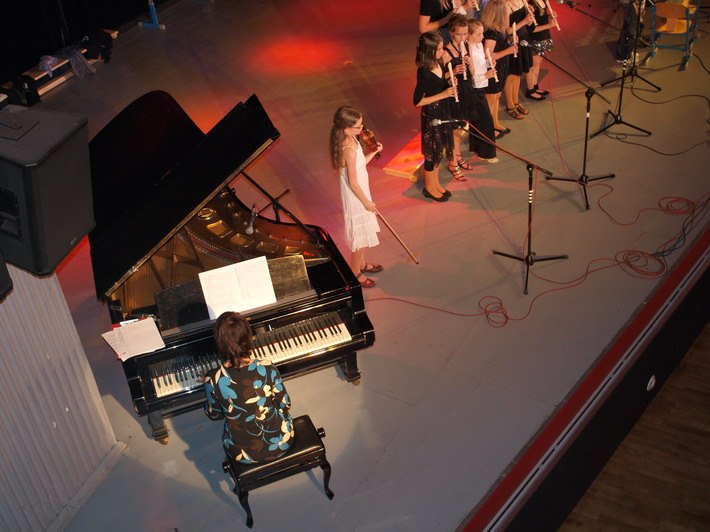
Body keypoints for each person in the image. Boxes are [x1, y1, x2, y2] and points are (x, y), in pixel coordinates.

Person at [204, 311, 294, 464]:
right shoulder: (267, 368)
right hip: (281, 442)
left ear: (219, 343)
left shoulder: (212, 379)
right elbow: (285, 405)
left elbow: (215, 415)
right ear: (249, 337)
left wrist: (209, 382)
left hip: (241, 453)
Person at [330, 105, 383, 288]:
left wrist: (373, 151)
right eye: (358, 126)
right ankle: (354, 271)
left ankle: (362, 264)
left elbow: (360, 166)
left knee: (364, 234)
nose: (362, 129)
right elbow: (353, 182)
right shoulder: (349, 149)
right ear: (346, 128)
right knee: (361, 237)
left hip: (361, 190)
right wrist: (367, 202)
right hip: (357, 195)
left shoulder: (352, 139)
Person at [414, 31, 457, 202]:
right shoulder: (423, 72)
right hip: (432, 114)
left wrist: (449, 81)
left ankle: (435, 183)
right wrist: (444, 94)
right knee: (431, 152)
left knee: (439, 150)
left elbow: (438, 83)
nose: (443, 51)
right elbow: (417, 101)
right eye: (439, 49)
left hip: (443, 110)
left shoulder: (439, 62)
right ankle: (428, 186)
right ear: (429, 51)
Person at [481, 0, 518, 137]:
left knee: (496, 96)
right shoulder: (491, 33)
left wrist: (510, 41)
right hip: (493, 68)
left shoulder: (500, 29)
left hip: (501, 66)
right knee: (491, 99)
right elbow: (487, 55)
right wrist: (508, 51)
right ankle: (488, 129)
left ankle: (495, 122)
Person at [466, 18, 499, 162]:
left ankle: (478, 149)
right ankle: (487, 154)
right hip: (474, 89)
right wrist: (486, 75)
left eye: (482, 33)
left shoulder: (479, 45)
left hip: (481, 86)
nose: (482, 37)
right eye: (479, 34)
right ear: (469, 35)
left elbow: (480, 64)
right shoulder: (468, 50)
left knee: (477, 120)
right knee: (486, 121)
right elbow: (470, 76)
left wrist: (488, 63)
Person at [504, 0, 535, 120]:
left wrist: (530, 18)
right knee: (511, 75)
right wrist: (524, 21)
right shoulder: (506, 5)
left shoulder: (522, 2)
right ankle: (510, 105)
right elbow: (506, 30)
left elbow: (528, 25)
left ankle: (516, 102)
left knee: (518, 73)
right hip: (513, 41)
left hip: (523, 38)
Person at [525, 0, 558, 100]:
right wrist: (549, 25)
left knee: (538, 64)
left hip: (544, 37)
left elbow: (541, 18)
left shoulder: (543, 1)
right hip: (536, 39)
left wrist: (550, 16)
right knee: (532, 66)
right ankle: (530, 91)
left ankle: (535, 87)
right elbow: (531, 29)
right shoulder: (531, 4)